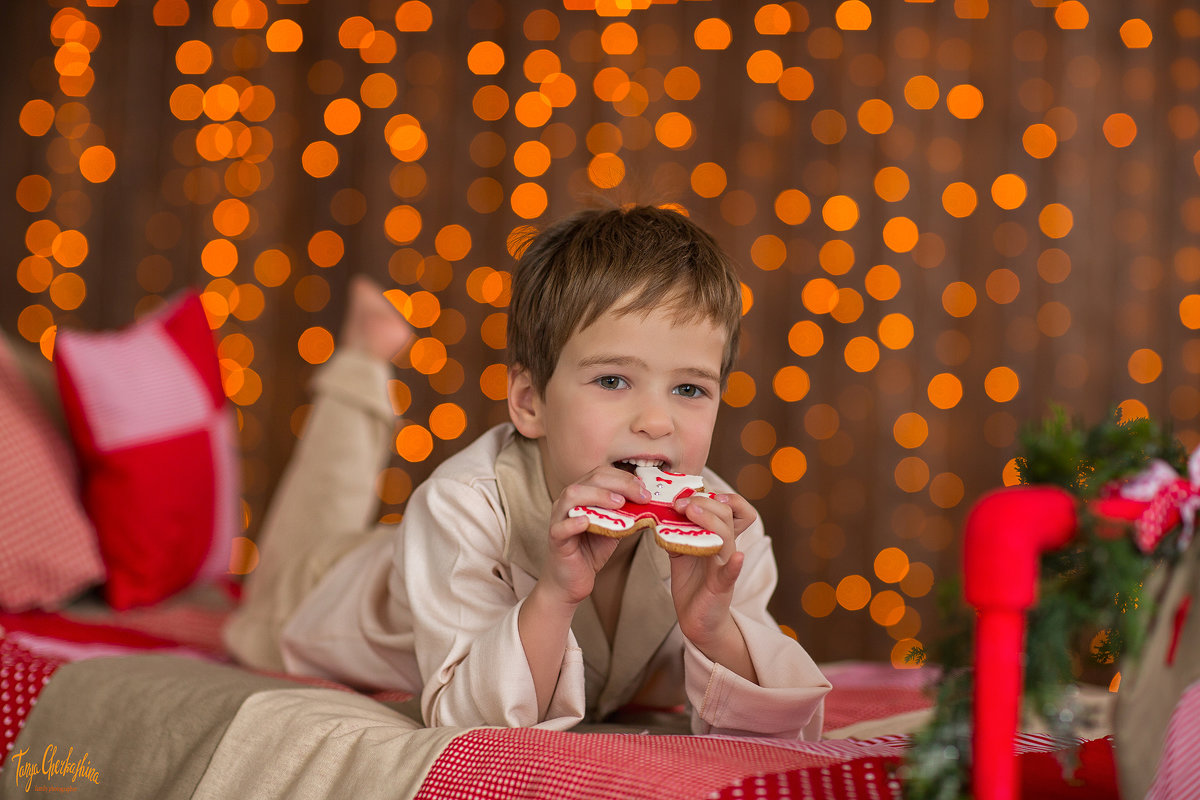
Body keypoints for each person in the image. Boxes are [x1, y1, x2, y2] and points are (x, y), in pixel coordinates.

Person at [223, 205, 830, 738]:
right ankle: (362, 357)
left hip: (425, 557)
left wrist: (715, 626)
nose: (656, 420)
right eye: (613, 380)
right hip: (330, 592)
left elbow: (787, 722)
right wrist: (555, 594)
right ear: (530, 401)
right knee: (305, 538)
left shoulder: (723, 535)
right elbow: (466, 720)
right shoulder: (459, 504)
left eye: (691, 389)